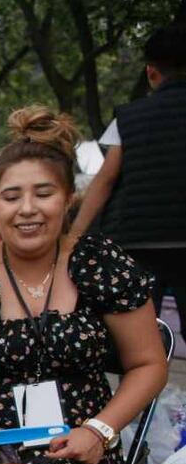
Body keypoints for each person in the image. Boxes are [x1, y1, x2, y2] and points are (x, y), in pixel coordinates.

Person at [0, 106, 168, 464]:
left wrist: (99, 431)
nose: (27, 209)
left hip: (82, 454)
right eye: (11, 197)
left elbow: (148, 364)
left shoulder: (99, 263)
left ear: (68, 198)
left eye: (43, 193)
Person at [70, 23, 186, 339]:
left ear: (151, 72)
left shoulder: (130, 116)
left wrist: (74, 235)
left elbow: (106, 180)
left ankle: (140, 387)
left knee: (139, 335)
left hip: (138, 241)